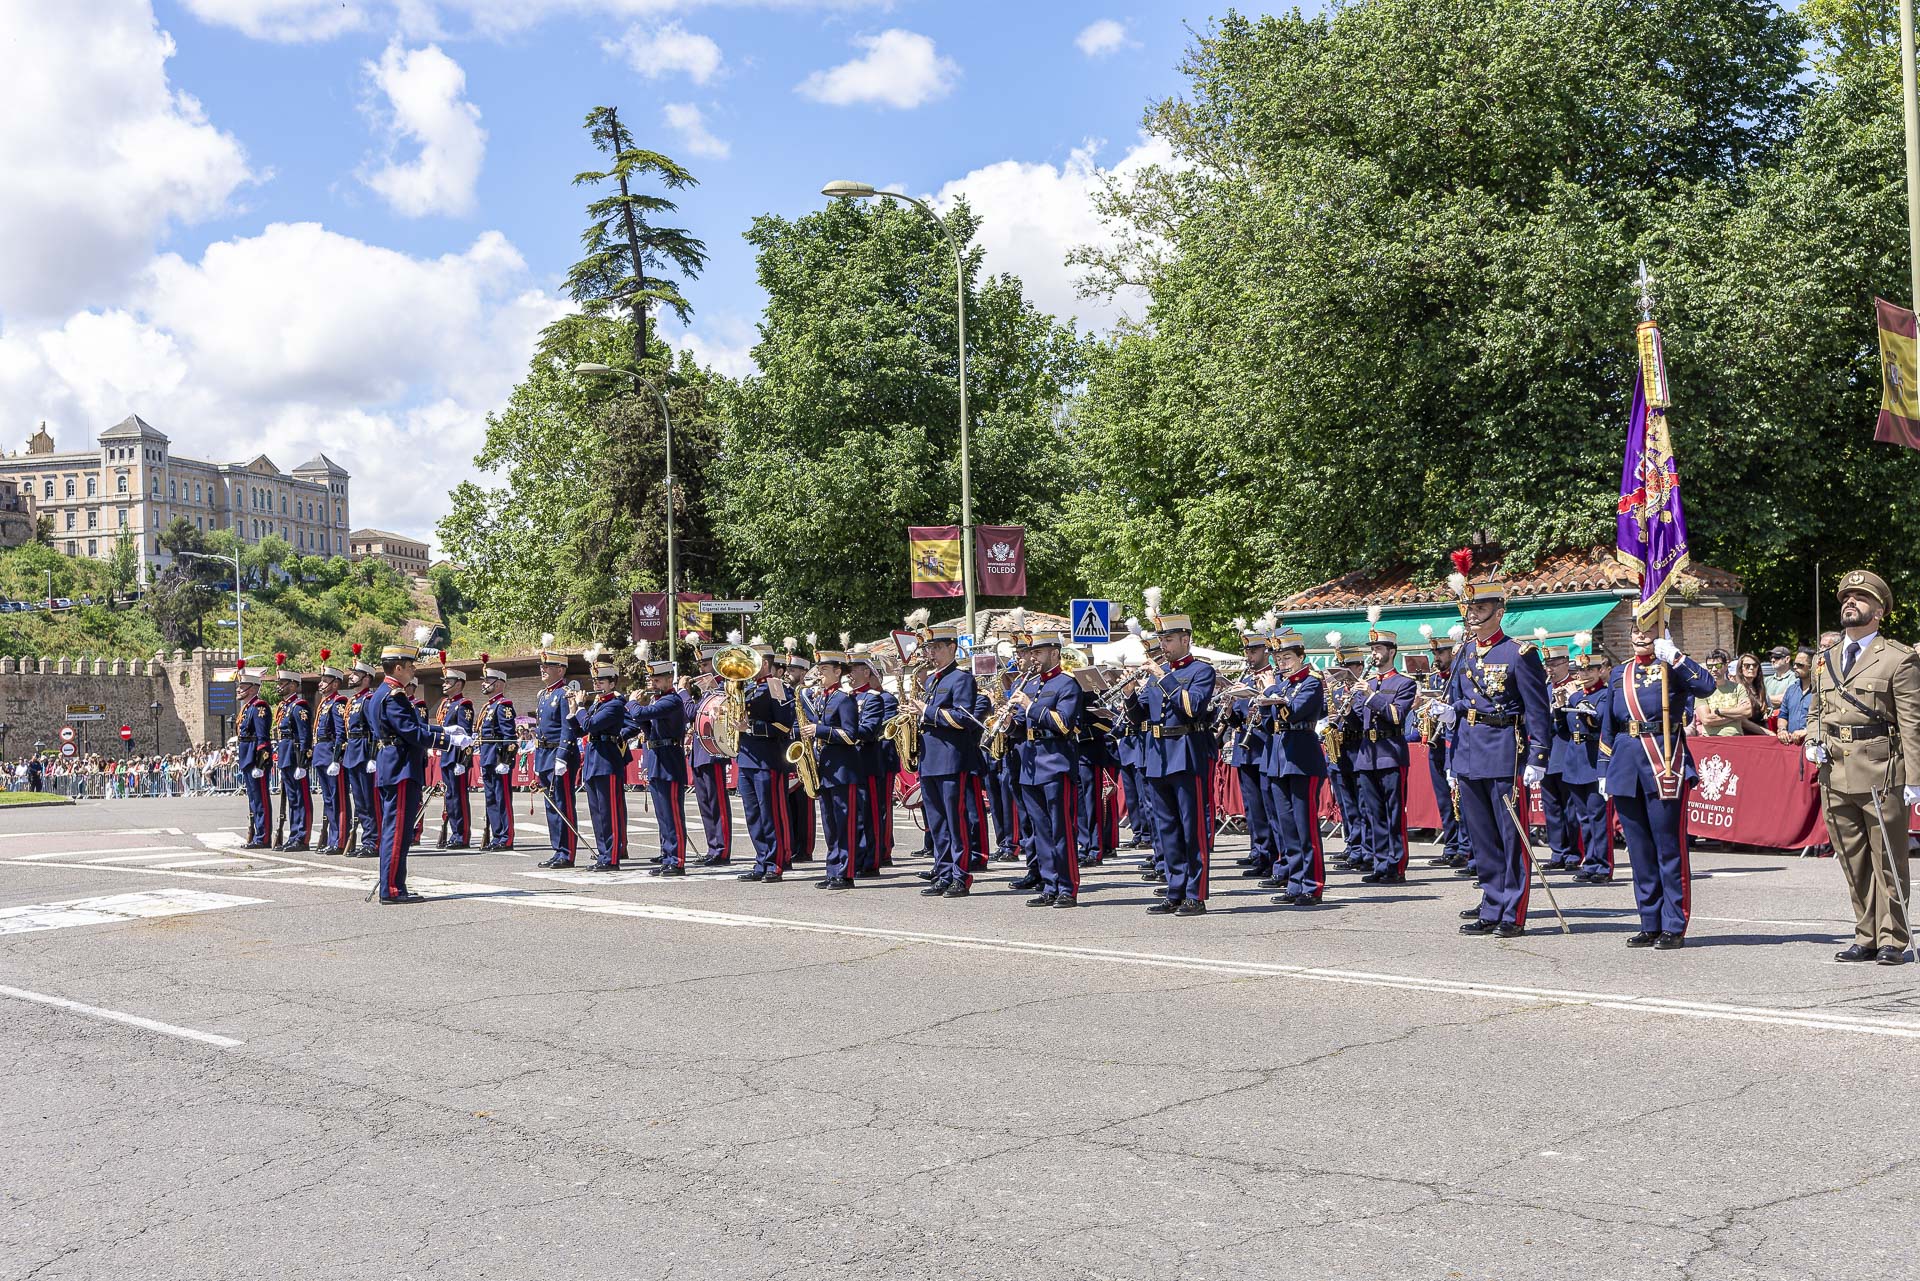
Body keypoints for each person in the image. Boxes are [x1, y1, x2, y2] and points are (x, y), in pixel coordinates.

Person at [1431, 555, 1551, 938]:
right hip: (1468, 749)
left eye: (1480, 608)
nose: (1472, 614)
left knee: (1509, 836)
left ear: (1499, 612)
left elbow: (1537, 710)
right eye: (1470, 607)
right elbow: (1463, 701)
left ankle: (1512, 911)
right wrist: (1451, 717)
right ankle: (1491, 902)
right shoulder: (1466, 652)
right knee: (1481, 836)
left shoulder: (1520, 654)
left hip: (1503, 750)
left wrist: (1539, 756)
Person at [1807, 570, 1920, 965]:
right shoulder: (1826, 660)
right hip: (1834, 773)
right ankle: (1866, 934)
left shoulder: (1898, 658)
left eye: (1860, 597)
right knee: (1852, 860)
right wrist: (1811, 741)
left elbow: (1912, 722)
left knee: (1888, 860)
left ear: (1879, 610)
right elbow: (1816, 711)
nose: (1849, 603)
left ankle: (1893, 937)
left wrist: (1915, 780)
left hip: (1882, 772)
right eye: (1846, 598)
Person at [1598, 621, 1715, 949]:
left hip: (1663, 763)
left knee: (1668, 849)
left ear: (1662, 633)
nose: (1639, 636)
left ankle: (1673, 924)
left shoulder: (1673, 666)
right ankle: (1649, 920)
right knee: (1639, 851)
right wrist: (1603, 769)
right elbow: (1609, 723)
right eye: (1635, 629)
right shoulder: (1619, 673)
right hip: (1625, 764)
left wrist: (1676, 657)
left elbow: (1706, 687)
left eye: (1648, 630)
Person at [364, 638, 466, 904]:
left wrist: (443, 730)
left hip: (392, 764)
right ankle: (392, 889)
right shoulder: (395, 696)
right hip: (400, 767)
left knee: (395, 828)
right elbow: (410, 732)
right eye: (409, 666)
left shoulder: (380, 694)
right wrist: (447, 741)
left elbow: (409, 727)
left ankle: (395, 884)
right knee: (398, 830)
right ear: (398, 668)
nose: (413, 670)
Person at [1132, 601, 1217, 916]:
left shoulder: (1202, 671)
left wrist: (1163, 678)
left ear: (1185, 639)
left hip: (1185, 753)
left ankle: (1196, 893)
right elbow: (1140, 713)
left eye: (1168, 640)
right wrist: (1129, 692)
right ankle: (1175, 890)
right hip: (1157, 756)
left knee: (1191, 828)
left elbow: (1193, 707)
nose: (1163, 646)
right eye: (1161, 640)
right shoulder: (1159, 674)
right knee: (1166, 828)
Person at [913, 623, 989, 897]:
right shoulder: (932, 680)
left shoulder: (962, 679)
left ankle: (961, 875)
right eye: (929, 648)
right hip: (929, 758)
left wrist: (927, 712)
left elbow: (964, 718)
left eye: (936, 648)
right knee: (937, 823)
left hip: (951, 758)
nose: (931, 653)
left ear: (952, 648)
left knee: (955, 821)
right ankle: (943, 872)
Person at [1011, 630, 1087, 907]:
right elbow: (1020, 727)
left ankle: (1067, 886)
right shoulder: (1030, 685)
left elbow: (1065, 723)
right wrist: (1007, 722)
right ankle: (1049, 883)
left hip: (1056, 762)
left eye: (1038, 653)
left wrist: (1030, 707)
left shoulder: (1068, 684)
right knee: (1040, 829)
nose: (1033, 658)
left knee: (1061, 829)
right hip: (1030, 765)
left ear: (1054, 653)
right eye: (1031, 653)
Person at [1258, 627, 1329, 906]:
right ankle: (1295, 882)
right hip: (1278, 759)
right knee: (1287, 827)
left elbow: (1293, 712)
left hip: (1301, 758)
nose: (1281, 662)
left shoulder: (1311, 682)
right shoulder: (1284, 684)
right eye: (1278, 657)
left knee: (1305, 826)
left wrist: (1270, 691)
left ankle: (1313, 885)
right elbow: (1270, 722)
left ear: (1301, 655)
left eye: (1287, 656)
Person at [1353, 615, 1417, 884]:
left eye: (1378, 649)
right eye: (1372, 650)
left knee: (1394, 812)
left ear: (1391, 651)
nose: (1374, 654)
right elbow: (1357, 715)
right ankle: (1380, 862)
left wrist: (1369, 695)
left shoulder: (1404, 683)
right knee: (1373, 813)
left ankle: (1396, 864)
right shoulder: (1369, 682)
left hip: (1391, 752)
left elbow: (1396, 715)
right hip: (1367, 754)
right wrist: (1352, 699)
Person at [803, 647, 871, 889]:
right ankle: (833, 870)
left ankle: (846, 872)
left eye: (824, 670)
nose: (819, 674)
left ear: (837, 671)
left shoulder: (844, 699)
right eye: (819, 669)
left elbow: (852, 735)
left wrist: (819, 731)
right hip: (827, 770)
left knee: (845, 824)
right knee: (831, 826)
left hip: (844, 771)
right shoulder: (823, 698)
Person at [736, 644, 797, 883]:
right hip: (747, 758)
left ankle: (776, 862)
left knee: (771, 813)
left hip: (767, 759)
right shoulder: (746, 687)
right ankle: (761, 860)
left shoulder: (776, 686)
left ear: (763, 663)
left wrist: (751, 727)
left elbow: (784, 725)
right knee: (753, 814)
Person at [627, 654, 690, 876]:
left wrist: (633, 702)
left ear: (667, 679)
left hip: (669, 761)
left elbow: (640, 712)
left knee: (672, 814)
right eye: (651, 680)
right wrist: (639, 711)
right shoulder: (658, 701)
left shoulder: (672, 700)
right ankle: (667, 856)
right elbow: (646, 724)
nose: (652, 684)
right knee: (663, 815)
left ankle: (677, 860)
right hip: (657, 759)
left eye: (656, 680)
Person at [1225, 623, 1278, 881]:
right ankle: (1258, 852)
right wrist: (1230, 707)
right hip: (1245, 750)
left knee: (1270, 807)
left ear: (1265, 650)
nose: (1249, 655)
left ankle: (1273, 856)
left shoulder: (1273, 679)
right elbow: (1236, 721)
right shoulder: (1245, 680)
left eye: (1254, 650)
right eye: (1247, 650)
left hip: (1265, 747)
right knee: (1253, 808)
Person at [572, 653, 633, 872]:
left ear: (612, 683)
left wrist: (579, 708)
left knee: (609, 813)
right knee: (597, 813)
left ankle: (612, 856)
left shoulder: (614, 705)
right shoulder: (598, 704)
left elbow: (590, 725)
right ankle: (603, 854)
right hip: (593, 760)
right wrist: (572, 712)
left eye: (601, 681)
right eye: (595, 681)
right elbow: (581, 728)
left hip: (607, 760)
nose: (597, 685)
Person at [1561, 650, 1615, 884]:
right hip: (1575, 759)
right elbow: (1564, 730)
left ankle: (1602, 865)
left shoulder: (1604, 694)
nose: (1584, 674)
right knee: (1583, 817)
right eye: (1581, 670)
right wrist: (1558, 707)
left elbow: (1597, 717)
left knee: (1598, 816)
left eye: (1589, 670)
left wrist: (1573, 699)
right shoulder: (1577, 694)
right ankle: (1590, 860)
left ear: (1599, 671)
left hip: (1594, 758)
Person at [1419, 625, 1470, 870]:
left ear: (1453, 652)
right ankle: (1450, 845)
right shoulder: (1432, 679)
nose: (1436, 658)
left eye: (1441, 653)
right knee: (1443, 799)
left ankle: (1465, 847)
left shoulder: (1460, 675)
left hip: (1454, 741)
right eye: (1435, 654)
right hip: (1436, 743)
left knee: (1460, 799)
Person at [1322, 639, 1371, 871]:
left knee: (1361, 802)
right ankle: (1352, 843)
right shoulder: (1336, 690)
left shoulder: (1363, 689)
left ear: (1359, 668)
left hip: (1356, 747)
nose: (1343, 675)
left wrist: (1346, 713)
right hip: (1338, 750)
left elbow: (1361, 721)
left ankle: (1364, 847)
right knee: (1346, 803)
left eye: (1348, 669)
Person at [532, 641, 582, 869]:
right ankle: (557, 849)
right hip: (544, 754)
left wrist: (562, 754)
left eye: (548, 666)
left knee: (563, 804)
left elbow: (567, 727)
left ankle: (567, 852)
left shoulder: (564, 694)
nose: (543, 669)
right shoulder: (544, 695)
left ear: (560, 670)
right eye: (542, 666)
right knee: (551, 806)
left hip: (558, 755)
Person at [686, 646, 736, 867]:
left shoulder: (724, 690)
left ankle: (722, 849)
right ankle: (712, 846)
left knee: (717, 804)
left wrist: (682, 692)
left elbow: (691, 712)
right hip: (699, 752)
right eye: (700, 666)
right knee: (705, 803)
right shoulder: (708, 692)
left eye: (705, 665)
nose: (701, 670)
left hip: (713, 753)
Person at [844, 649, 890, 878]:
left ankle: (871, 860)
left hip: (868, 763)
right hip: (850, 764)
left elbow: (869, 731)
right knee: (855, 816)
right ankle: (857, 857)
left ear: (865, 672)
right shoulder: (848, 698)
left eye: (852, 670)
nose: (849, 675)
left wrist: (842, 731)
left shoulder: (872, 698)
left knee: (870, 814)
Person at [271, 655, 312, 850]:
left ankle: (302, 837)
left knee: (301, 798)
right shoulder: (284, 707)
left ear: (294, 685)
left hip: (295, 756)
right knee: (293, 799)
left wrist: (303, 762)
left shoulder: (299, 706)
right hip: (286, 755)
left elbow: (304, 736)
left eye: (283, 683)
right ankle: (294, 834)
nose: (279, 686)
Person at [311, 652, 351, 856]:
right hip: (321, 754)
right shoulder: (324, 704)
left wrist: (337, 759)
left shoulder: (338, 703)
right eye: (321, 680)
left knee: (338, 799)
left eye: (325, 680)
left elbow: (340, 734)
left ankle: (341, 839)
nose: (321, 684)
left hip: (331, 756)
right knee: (328, 800)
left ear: (335, 683)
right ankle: (333, 838)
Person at [342, 646, 379, 858]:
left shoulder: (368, 700)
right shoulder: (353, 700)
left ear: (366, 678)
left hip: (365, 753)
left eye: (356, 674)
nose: (352, 677)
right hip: (353, 753)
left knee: (369, 800)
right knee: (360, 801)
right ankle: (367, 839)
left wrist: (373, 756)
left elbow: (375, 730)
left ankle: (373, 841)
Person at [476, 656, 516, 850]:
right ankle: (497, 834)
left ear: (498, 683)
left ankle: (506, 837)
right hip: (487, 757)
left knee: (502, 799)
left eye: (487, 681)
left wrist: (506, 760)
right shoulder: (489, 706)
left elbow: (509, 735)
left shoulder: (503, 705)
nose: (483, 684)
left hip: (499, 758)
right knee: (491, 798)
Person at [435, 663, 476, 849]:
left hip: (456, 757)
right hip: (446, 755)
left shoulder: (464, 705)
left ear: (459, 684)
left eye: (448, 681)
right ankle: (454, 832)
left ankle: (462, 834)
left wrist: (462, 761)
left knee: (459, 797)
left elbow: (466, 737)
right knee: (450, 797)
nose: (444, 684)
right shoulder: (446, 704)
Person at [1696, 650, 1750, 737]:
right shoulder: (1702, 690)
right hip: (1711, 738)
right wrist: (1736, 714)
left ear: (1725, 666)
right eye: (1710, 666)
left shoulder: (1738, 688)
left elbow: (1747, 711)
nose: (1714, 669)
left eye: (1718, 665)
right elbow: (1706, 720)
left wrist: (1720, 711)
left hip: (1735, 736)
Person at [1775, 648, 1814, 745]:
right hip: (1791, 745)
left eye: (1800, 665)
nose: (1795, 667)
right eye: (1794, 664)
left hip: (1813, 744)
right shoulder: (1791, 690)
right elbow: (1783, 714)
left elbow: (1826, 719)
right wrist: (1782, 729)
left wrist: (1807, 731)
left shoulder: (1821, 691)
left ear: (1812, 667)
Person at [1735, 652, 1773, 732]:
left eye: (1755, 665)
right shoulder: (1737, 689)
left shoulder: (1761, 689)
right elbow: (1742, 721)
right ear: (1740, 669)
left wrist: (1766, 713)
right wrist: (1767, 733)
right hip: (1746, 734)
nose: (1751, 668)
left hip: (1763, 731)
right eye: (1747, 665)